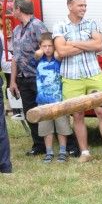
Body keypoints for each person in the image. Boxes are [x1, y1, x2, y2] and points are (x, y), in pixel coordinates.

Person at [52, 0, 102, 163]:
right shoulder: (59, 26)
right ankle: (85, 153)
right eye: (80, 5)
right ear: (70, 6)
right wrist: (87, 45)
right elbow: (61, 51)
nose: (84, 9)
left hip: (93, 74)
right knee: (78, 115)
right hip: (71, 77)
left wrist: (71, 43)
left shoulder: (92, 23)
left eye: (85, 5)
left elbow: (99, 45)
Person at [9, 0, 49, 156]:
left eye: (13, 8)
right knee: (29, 111)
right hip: (23, 78)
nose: (12, 11)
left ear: (19, 9)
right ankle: (38, 145)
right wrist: (12, 81)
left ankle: (67, 144)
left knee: (48, 110)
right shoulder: (16, 31)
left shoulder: (38, 26)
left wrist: (39, 53)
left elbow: (48, 47)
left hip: (40, 77)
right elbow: (15, 58)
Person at [33, 33, 73, 163]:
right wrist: (40, 50)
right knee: (46, 128)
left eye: (50, 46)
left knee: (62, 126)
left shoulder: (58, 58)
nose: (47, 49)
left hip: (58, 99)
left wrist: (56, 49)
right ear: (40, 47)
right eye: (44, 46)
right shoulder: (39, 59)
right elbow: (36, 55)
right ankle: (49, 152)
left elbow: (57, 55)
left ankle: (62, 151)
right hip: (43, 100)